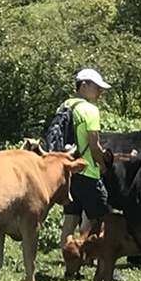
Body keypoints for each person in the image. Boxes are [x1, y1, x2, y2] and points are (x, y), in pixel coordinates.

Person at [53, 68, 110, 263]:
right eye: (97, 87)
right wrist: (103, 165)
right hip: (87, 172)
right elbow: (94, 146)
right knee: (103, 220)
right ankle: (104, 262)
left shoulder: (65, 106)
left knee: (70, 220)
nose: (100, 92)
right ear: (84, 85)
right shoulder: (90, 110)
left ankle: (69, 259)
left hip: (68, 172)